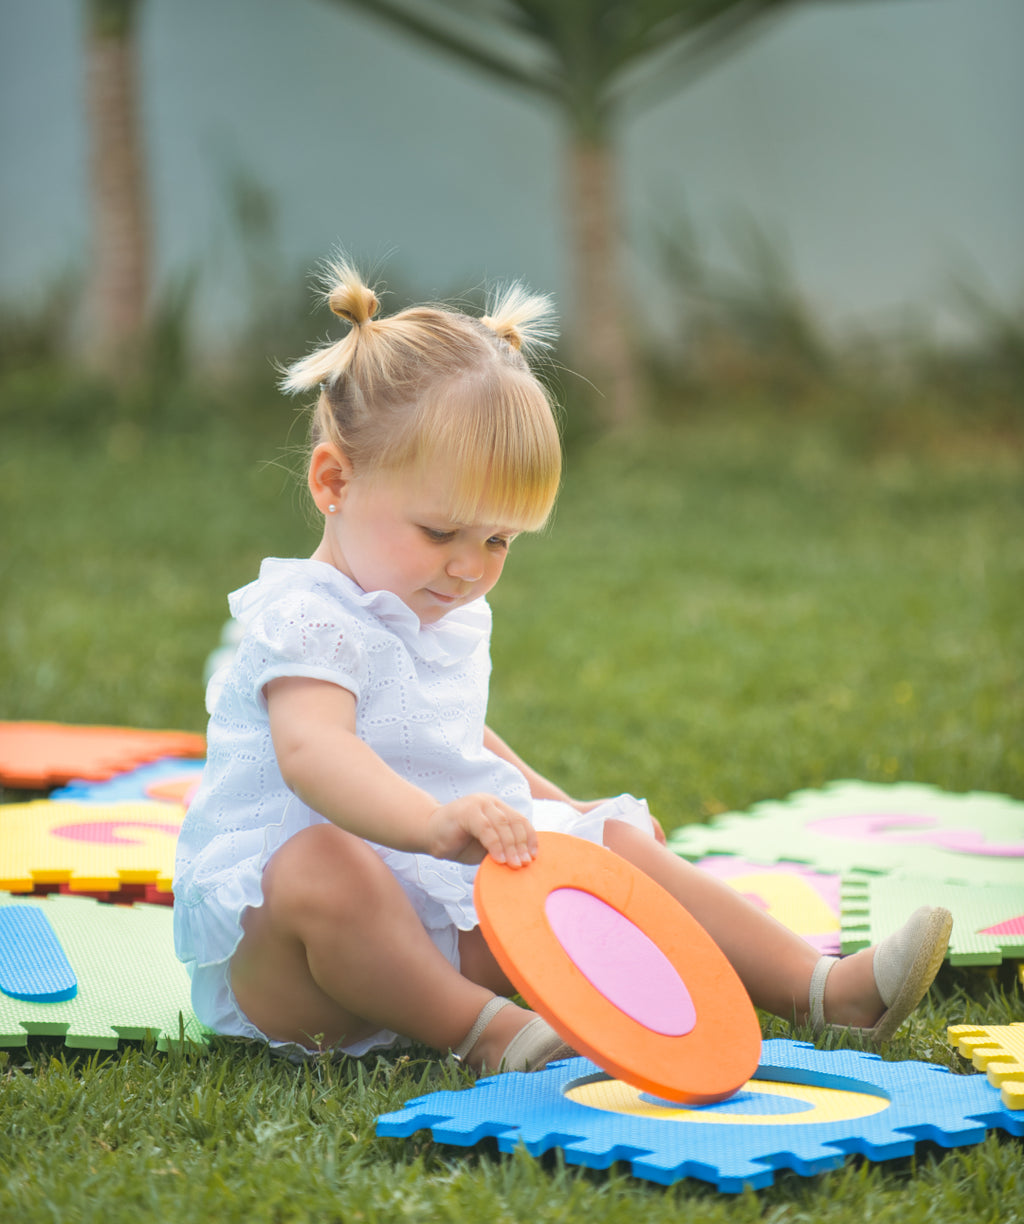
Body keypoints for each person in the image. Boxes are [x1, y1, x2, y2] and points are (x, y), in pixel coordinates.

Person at [173, 260, 952, 1072]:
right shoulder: (307, 617)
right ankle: (487, 1034)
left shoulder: (438, 606)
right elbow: (317, 753)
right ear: (335, 481)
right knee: (321, 862)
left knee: (607, 838)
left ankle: (826, 990)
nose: (470, 567)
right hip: (294, 966)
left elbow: (454, 735)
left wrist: (568, 810)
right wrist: (432, 825)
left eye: (499, 541)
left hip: (419, 909)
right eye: (442, 533)